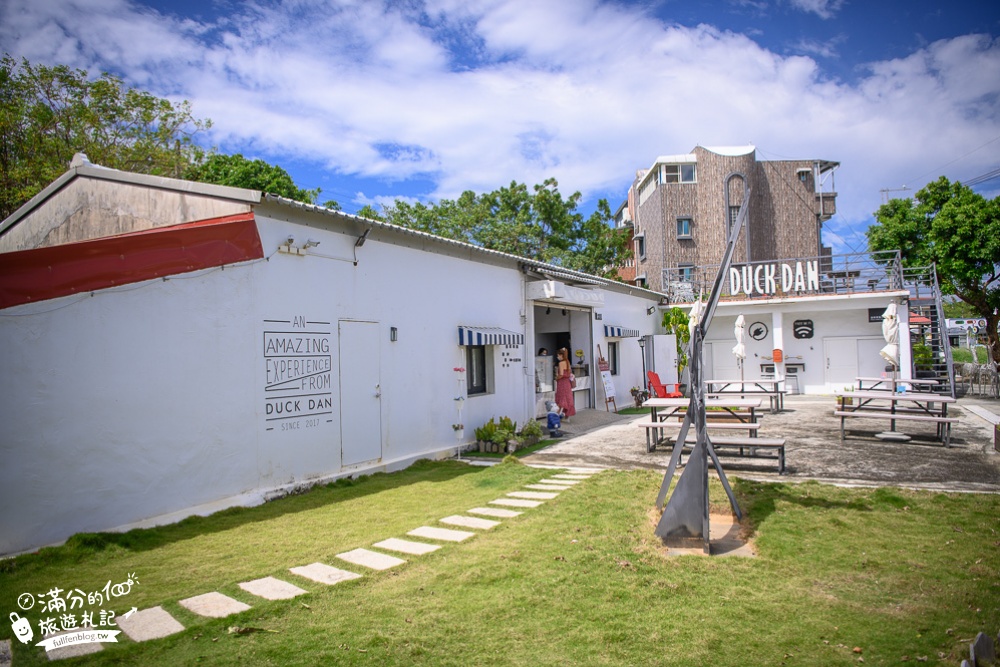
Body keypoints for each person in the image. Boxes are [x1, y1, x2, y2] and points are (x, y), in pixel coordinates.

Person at [554, 347, 576, 419]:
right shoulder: (567, 362)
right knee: (567, 398)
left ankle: (556, 416)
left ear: (561, 355)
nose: (557, 356)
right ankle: (567, 416)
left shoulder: (561, 363)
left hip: (562, 383)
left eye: (558, 355)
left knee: (561, 399)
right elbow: (568, 373)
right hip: (567, 383)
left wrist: (556, 378)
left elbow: (561, 374)